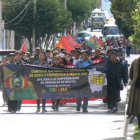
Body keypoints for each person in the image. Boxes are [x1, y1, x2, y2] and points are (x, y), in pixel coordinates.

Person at [127, 57, 140, 134]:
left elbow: (130, 74)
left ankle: (139, 128)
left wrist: (134, 80)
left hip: (136, 87)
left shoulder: (135, 61)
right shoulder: (135, 61)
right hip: (137, 88)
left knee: (137, 109)